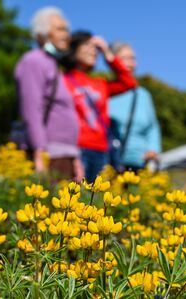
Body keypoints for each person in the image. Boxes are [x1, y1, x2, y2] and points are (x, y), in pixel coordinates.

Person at [14, 7, 83, 181]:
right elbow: (31, 109)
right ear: (42, 34)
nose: (66, 35)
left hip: (64, 152)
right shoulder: (34, 61)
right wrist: (39, 150)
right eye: (60, 29)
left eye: (66, 29)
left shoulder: (52, 64)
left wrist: (74, 155)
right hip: (49, 153)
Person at [62, 31, 137, 182]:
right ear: (74, 49)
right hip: (76, 147)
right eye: (87, 45)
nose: (93, 50)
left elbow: (129, 82)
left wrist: (108, 54)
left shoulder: (100, 84)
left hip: (101, 149)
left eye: (95, 47)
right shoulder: (63, 80)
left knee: (96, 200)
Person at [108, 42, 162, 172]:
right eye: (125, 58)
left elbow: (152, 127)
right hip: (112, 163)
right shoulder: (106, 91)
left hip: (142, 162)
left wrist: (153, 149)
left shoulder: (143, 95)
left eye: (132, 58)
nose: (131, 63)